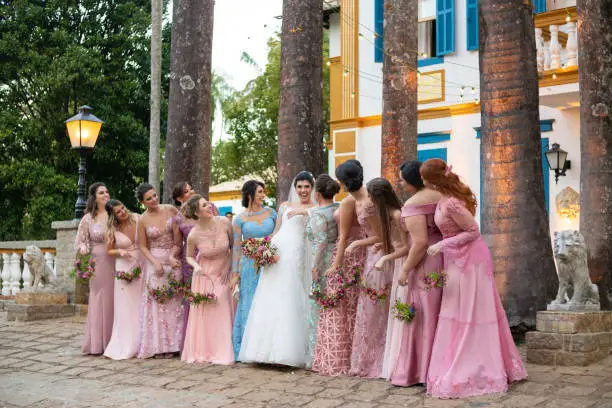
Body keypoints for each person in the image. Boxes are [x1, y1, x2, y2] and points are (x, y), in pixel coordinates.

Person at [420, 158, 527, 398]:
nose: (422, 181)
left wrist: (443, 244)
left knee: (471, 310)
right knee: (456, 308)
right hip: (454, 258)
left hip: (472, 259)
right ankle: (461, 357)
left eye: (424, 177)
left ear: (433, 180)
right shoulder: (442, 200)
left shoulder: (453, 204)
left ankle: (480, 365)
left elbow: (473, 231)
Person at [238, 171, 316, 367]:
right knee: (270, 297)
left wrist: (307, 212)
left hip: (296, 255)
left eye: (307, 187)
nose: (303, 190)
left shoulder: (315, 208)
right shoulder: (283, 206)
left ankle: (286, 352)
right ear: (295, 188)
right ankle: (262, 351)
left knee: (290, 296)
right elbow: (276, 231)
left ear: (312, 188)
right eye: (300, 187)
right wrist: (264, 248)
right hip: (277, 254)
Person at [376, 160, 444, 386]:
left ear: (414, 179)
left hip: (425, 262)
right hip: (444, 257)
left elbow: (420, 243)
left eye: (403, 178)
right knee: (441, 311)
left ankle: (421, 370)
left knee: (424, 313)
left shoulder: (414, 204)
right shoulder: (440, 195)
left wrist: (405, 269)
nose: (401, 183)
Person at [313, 161, 367, 376]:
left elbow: (343, 236)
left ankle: (337, 359)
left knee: (339, 307)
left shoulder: (347, 203)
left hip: (346, 254)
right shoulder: (363, 198)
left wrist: (336, 263)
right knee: (352, 305)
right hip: (359, 251)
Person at [346, 177, 400, 378]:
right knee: (370, 308)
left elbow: (383, 236)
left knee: (377, 307)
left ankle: (377, 359)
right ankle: (368, 359)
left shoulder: (376, 210)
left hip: (380, 258)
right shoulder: (376, 208)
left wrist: (357, 244)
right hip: (376, 254)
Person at [181, 195, 235, 365]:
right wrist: (196, 267)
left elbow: (235, 247)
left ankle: (225, 349)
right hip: (205, 275)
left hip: (225, 269)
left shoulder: (224, 222)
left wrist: (230, 268)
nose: (210, 206)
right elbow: (189, 257)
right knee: (209, 311)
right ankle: (208, 350)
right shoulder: (193, 235)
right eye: (205, 205)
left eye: (208, 203)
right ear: (197, 212)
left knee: (223, 303)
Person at [136, 183, 185, 359]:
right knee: (157, 304)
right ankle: (158, 346)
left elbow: (179, 238)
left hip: (172, 259)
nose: (154, 200)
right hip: (155, 262)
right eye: (149, 199)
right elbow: (142, 245)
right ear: (143, 202)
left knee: (174, 303)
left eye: (155, 195)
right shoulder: (142, 219)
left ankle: (175, 344)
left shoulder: (170, 210)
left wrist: (173, 256)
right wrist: (154, 262)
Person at [296, 174, 340, 366]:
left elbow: (321, 242)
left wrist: (315, 267)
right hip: (337, 258)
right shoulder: (338, 209)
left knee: (317, 307)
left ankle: (317, 354)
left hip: (322, 262)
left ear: (318, 192)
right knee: (334, 305)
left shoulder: (318, 214)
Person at [231, 180, 277, 357]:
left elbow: (278, 236)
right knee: (249, 304)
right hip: (250, 267)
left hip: (270, 263)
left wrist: (269, 251)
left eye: (263, 192)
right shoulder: (239, 219)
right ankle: (248, 348)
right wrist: (235, 274)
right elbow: (236, 248)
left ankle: (269, 347)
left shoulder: (272, 213)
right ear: (249, 195)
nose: (263, 195)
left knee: (269, 302)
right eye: (259, 192)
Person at [74, 182, 113, 355]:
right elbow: (81, 241)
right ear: (94, 197)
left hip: (116, 261)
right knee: (99, 298)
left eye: (107, 192)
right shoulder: (88, 218)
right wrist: (83, 249)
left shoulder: (114, 214)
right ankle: (97, 343)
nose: (106, 195)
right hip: (97, 262)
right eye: (101, 192)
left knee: (114, 299)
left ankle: (114, 340)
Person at [103, 199, 143, 360]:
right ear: (113, 216)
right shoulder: (111, 230)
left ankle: (143, 342)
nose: (123, 212)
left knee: (141, 303)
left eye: (123, 208)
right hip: (124, 267)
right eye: (118, 212)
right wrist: (120, 251)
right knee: (126, 306)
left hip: (140, 263)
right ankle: (126, 343)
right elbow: (109, 251)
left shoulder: (138, 218)